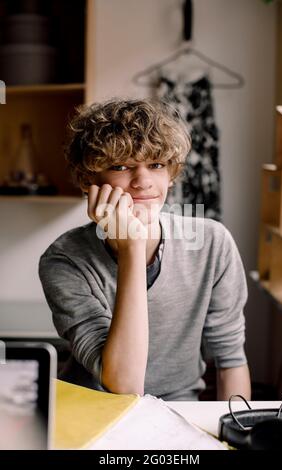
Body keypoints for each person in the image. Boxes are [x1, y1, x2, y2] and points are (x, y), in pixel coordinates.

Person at [39, 99, 251, 401]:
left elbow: (231, 360)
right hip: (93, 412)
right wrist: (132, 250)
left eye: (156, 165)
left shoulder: (213, 244)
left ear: (171, 173)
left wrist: (237, 434)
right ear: (89, 180)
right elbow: (124, 387)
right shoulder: (64, 260)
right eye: (121, 166)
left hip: (179, 409)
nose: (143, 182)